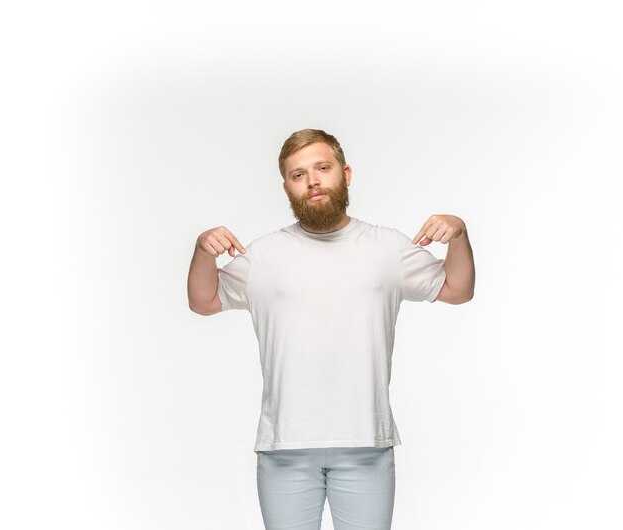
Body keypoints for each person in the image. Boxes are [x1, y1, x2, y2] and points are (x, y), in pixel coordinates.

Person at [187, 129, 475, 530]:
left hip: (365, 445)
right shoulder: (264, 255)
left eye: (323, 168)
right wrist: (203, 250)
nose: (313, 181)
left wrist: (458, 234)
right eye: (298, 174)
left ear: (346, 173)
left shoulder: (387, 248)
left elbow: (457, 289)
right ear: (286, 187)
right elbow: (204, 301)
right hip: (285, 447)